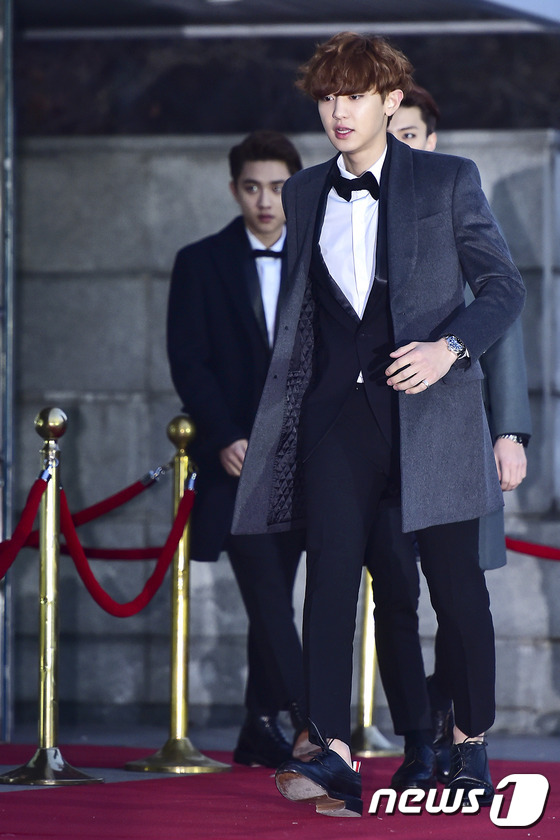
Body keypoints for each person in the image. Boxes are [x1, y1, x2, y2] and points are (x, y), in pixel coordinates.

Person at [232, 33, 526, 818]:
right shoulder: (304, 193)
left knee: (455, 591)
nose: (339, 110)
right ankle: (331, 747)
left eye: (355, 95)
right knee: (330, 579)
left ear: (390, 101)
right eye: (328, 96)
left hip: (434, 410)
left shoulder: (448, 178)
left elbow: (504, 288)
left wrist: (449, 348)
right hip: (338, 416)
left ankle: (469, 740)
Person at [360, 85, 532, 792]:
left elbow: (503, 322)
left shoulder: (459, 197)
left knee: (460, 593)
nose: (400, 144)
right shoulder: (353, 206)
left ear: (431, 139)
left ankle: (468, 738)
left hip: (457, 427)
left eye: (411, 133)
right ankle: (418, 739)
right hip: (378, 432)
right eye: (390, 133)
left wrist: (510, 430)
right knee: (395, 597)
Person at [166, 130, 308, 769]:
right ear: (234, 190)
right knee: (268, 593)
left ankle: (258, 725)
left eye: (277, 188)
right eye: (252, 187)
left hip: (304, 459)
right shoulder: (200, 262)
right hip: (236, 460)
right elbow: (188, 362)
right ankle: (312, 720)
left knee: (277, 591)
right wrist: (224, 435)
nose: (265, 201)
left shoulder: (321, 258)